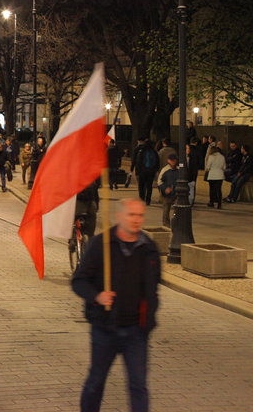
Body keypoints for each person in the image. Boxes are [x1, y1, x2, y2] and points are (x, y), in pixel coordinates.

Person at [71, 198, 160, 412]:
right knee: (96, 382)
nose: (137, 220)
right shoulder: (100, 245)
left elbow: (153, 288)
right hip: (105, 328)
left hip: (136, 331)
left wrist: (149, 319)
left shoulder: (148, 248)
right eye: (132, 215)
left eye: (140, 215)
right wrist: (97, 296)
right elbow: (79, 281)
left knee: (138, 386)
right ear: (119, 216)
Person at [131, 138, 160, 206]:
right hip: (151, 171)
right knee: (149, 186)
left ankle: (142, 198)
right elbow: (157, 162)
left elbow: (138, 161)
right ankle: (148, 200)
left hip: (142, 171)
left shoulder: (141, 150)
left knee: (141, 185)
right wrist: (155, 170)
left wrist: (136, 170)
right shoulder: (154, 151)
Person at [156, 153, 181, 227]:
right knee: (166, 210)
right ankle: (166, 224)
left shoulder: (179, 170)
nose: (173, 162)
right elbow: (159, 182)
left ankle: (175, 223)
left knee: (177, 210)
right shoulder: (165, 170)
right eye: (171, 160)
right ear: (168, 161)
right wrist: (165, 188)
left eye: (174, 160)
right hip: (167, 194)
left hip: (176, 193)